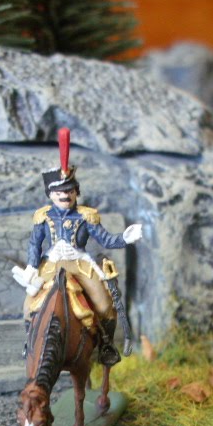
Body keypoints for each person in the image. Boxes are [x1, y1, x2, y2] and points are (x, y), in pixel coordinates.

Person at [12, 128, 142, 365]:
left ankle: (106, 346)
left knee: (104, 304)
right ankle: (30, 343)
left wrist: (125, 238)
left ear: (76, 192)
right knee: (29, 305)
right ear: (50, 194)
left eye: (69, 191)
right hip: (51, 264)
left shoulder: (86, 216)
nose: (65, 195)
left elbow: (105, 240)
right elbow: (34, 243)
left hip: (80, 264)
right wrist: (31, 266)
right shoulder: (43, 216)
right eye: (59, 192)